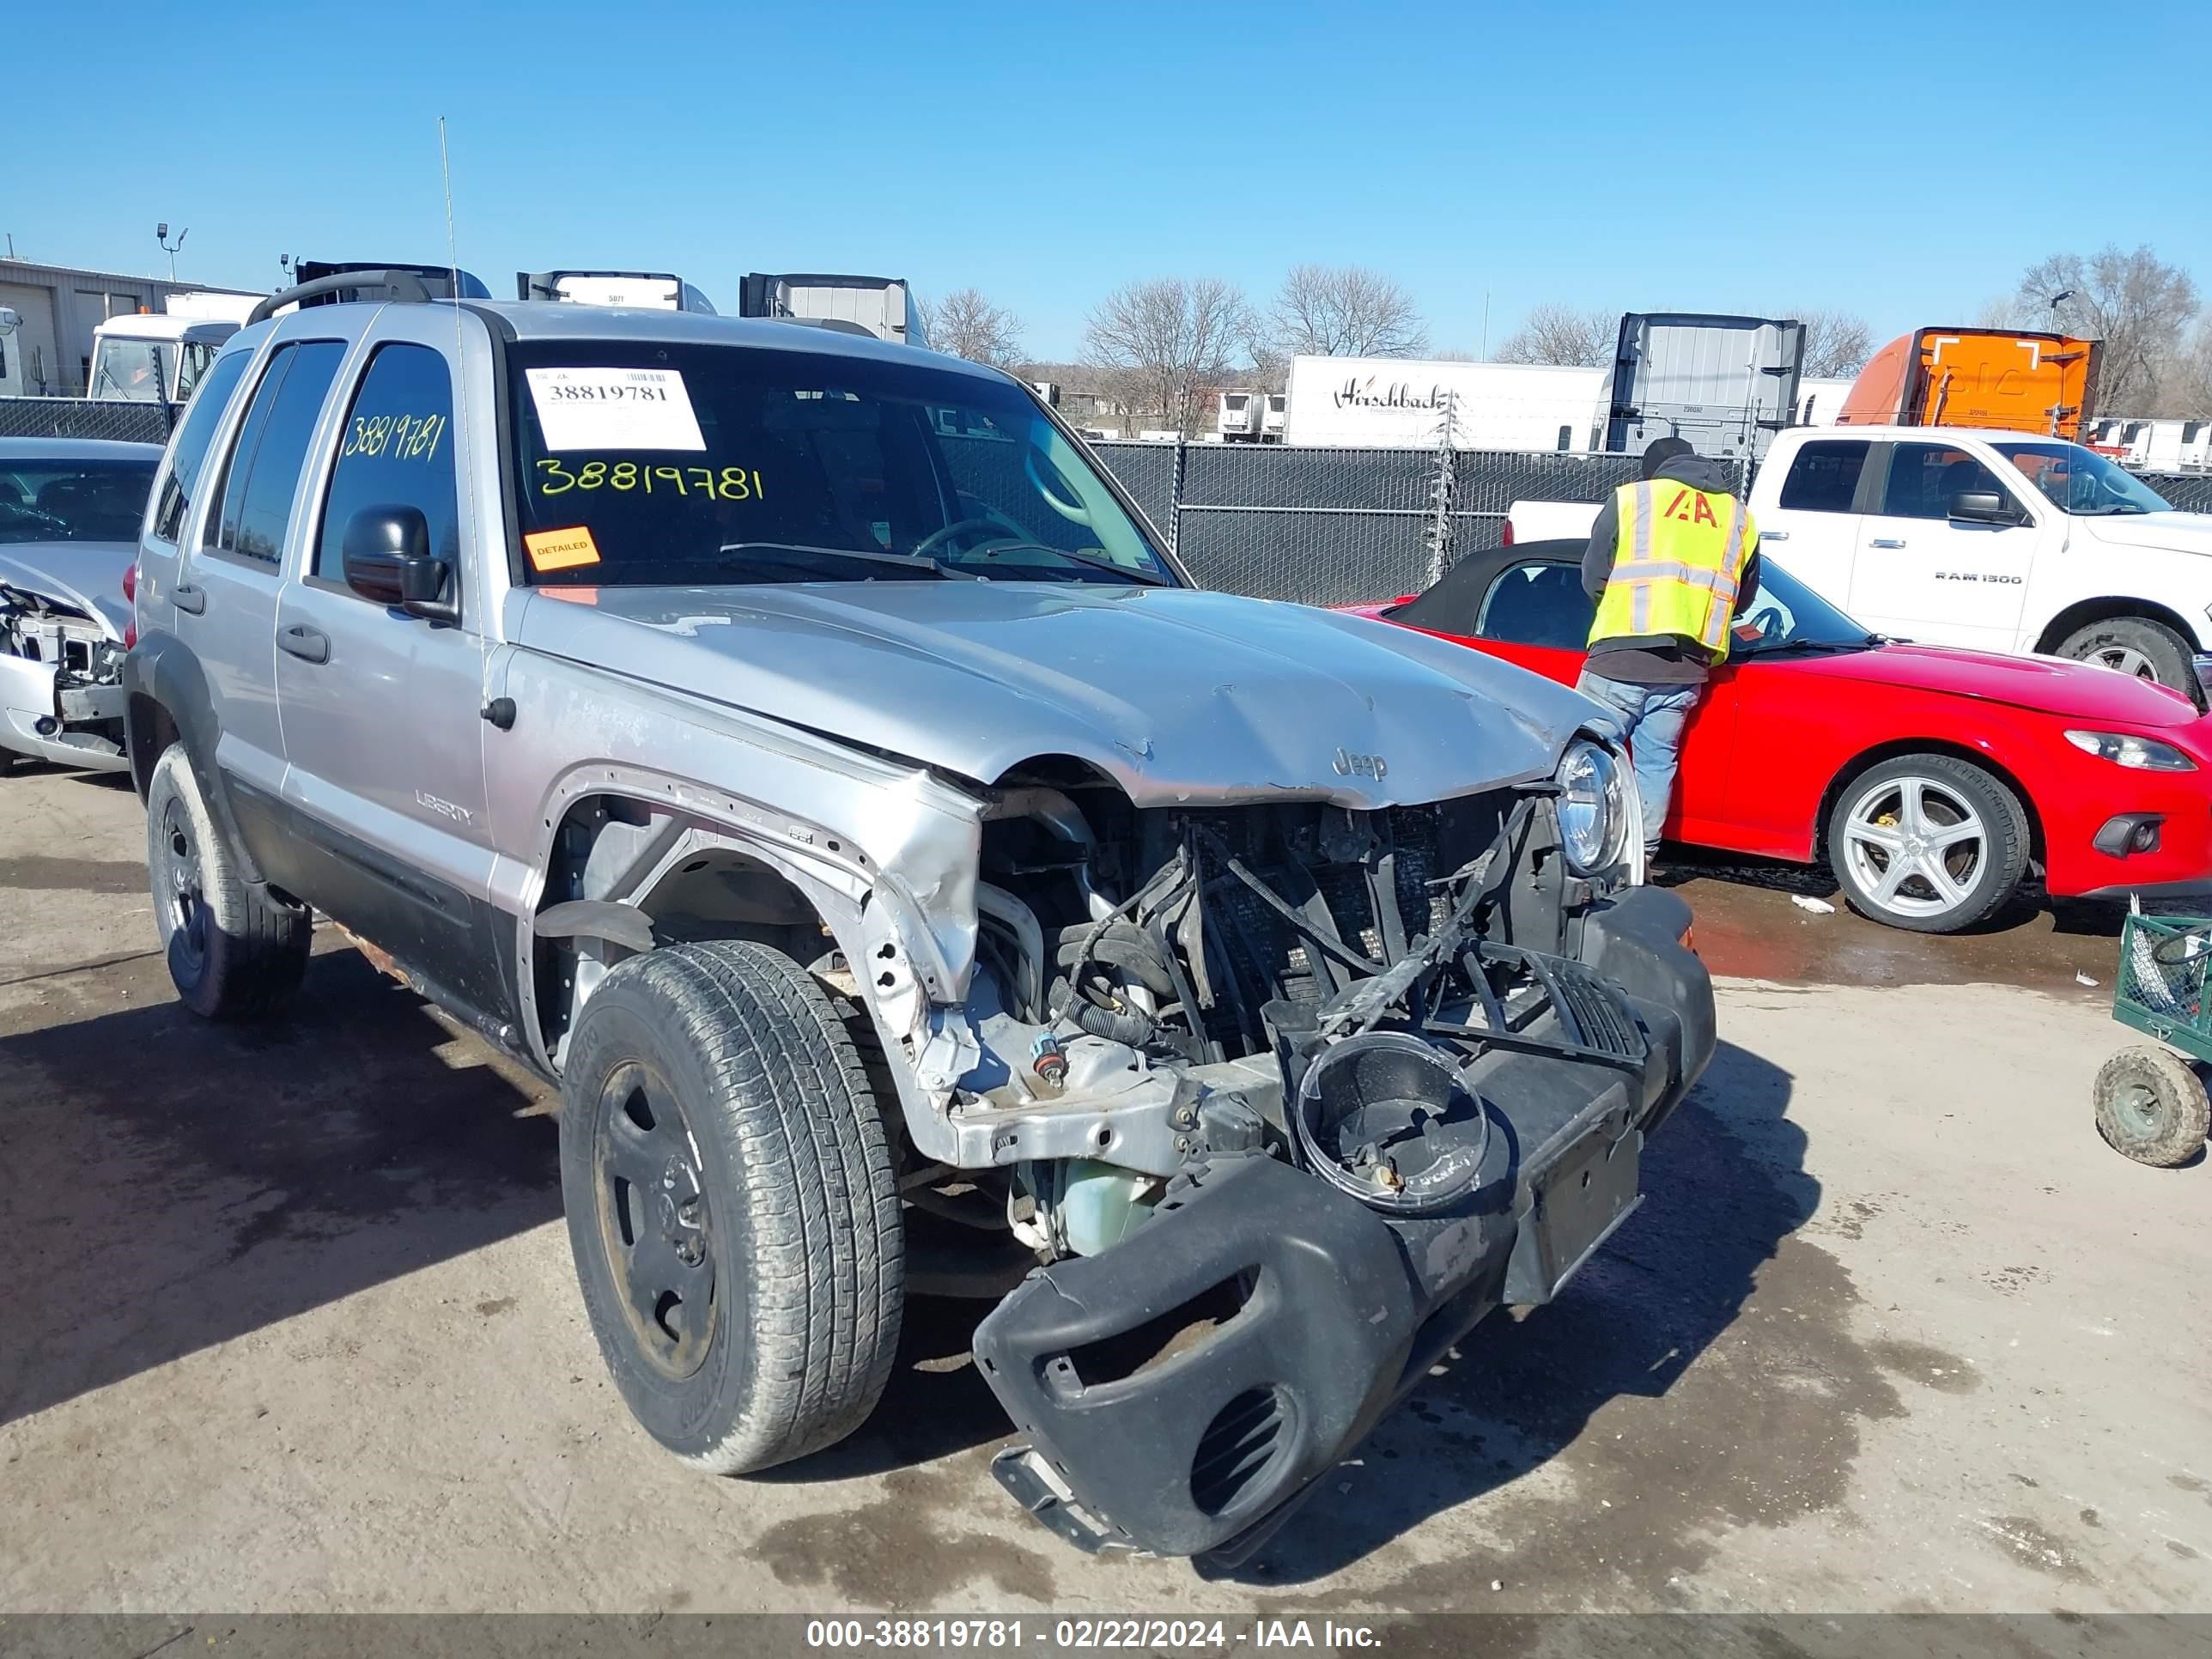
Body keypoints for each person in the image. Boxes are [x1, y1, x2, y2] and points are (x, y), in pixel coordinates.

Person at [1579, 435, 1761, 868]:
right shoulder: (1737, 517)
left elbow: (1593, 578)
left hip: (1618, 660)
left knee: (1585, 758)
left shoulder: (1633, 499)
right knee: (1656, 765)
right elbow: (1744, 595)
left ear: (1653, 470)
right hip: (1687, 670)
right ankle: (1639, 861)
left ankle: (1580, 853)